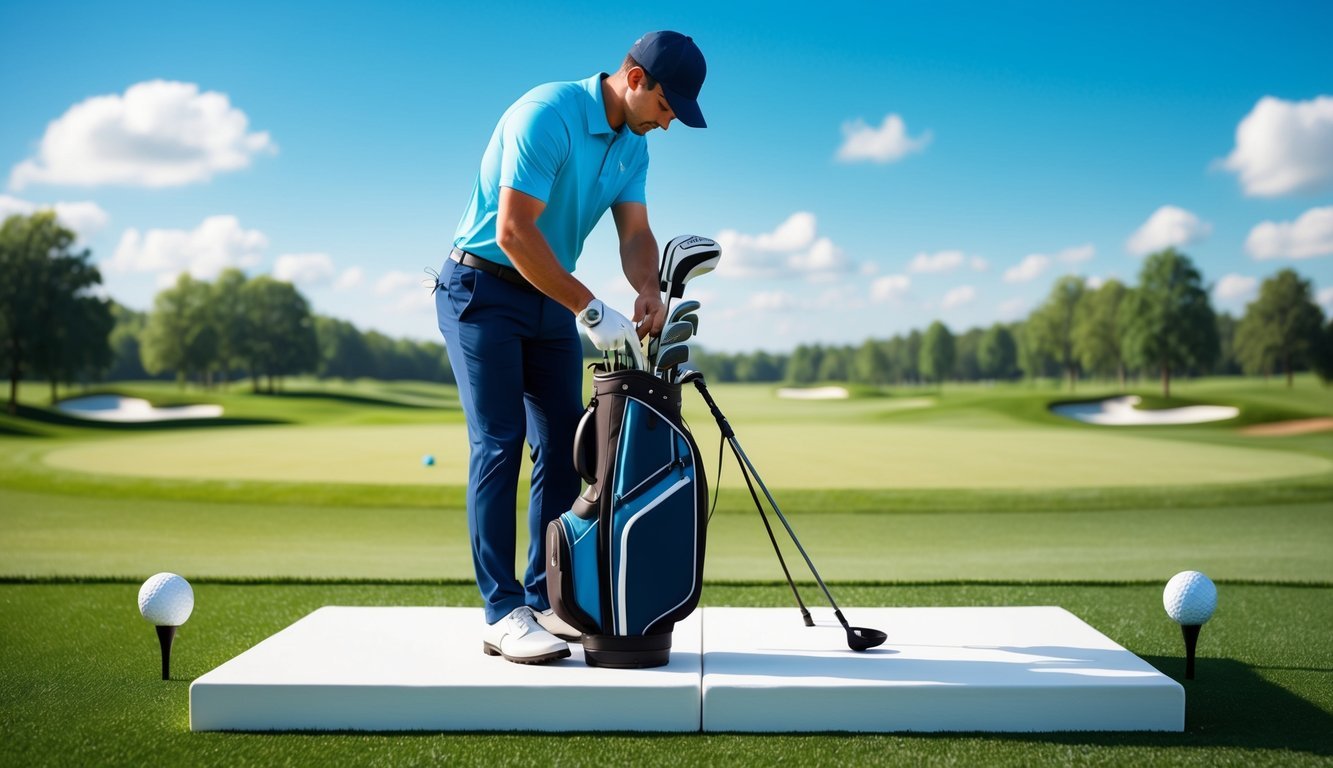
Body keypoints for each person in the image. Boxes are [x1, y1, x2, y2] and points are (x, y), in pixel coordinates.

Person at [434, 31, 708, 664]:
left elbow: (635, 231)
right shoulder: (547, 114)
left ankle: (545, 597)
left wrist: (646, 288)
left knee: (564, 444)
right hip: (481, 288)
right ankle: (501, 613)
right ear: (635, 79)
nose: (668, 125)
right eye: (668, 108)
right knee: (499, 443)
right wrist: (588, 305)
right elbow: (513, 233)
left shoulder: (632, 146)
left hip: (547, 296)